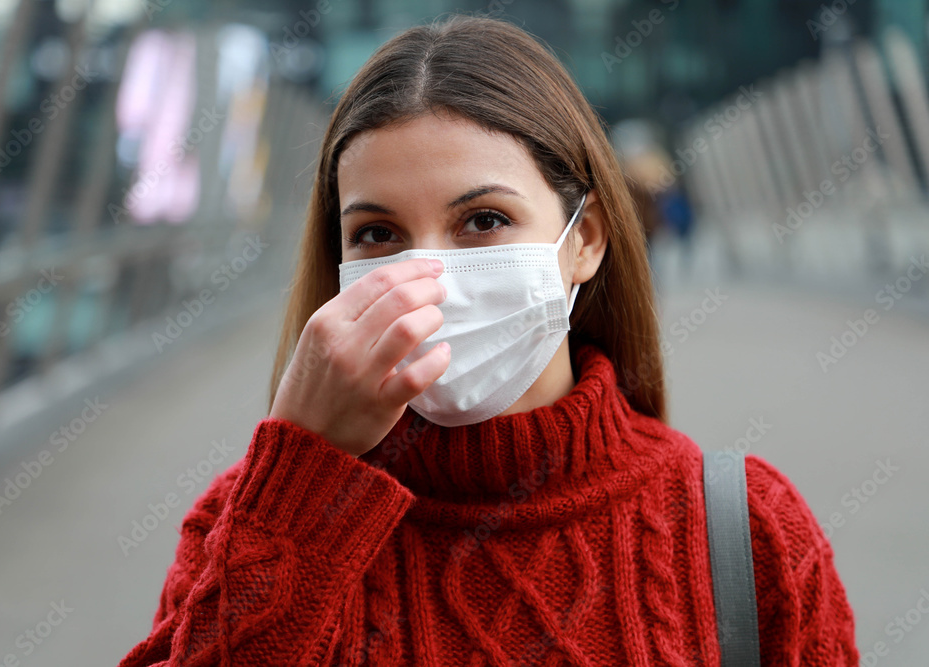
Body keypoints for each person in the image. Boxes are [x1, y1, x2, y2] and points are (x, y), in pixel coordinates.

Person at [118, 14, 858, 666]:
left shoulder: (745, 531)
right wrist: (302, 487)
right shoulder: (253, 521)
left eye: (483, 220)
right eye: (378, 233)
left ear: (585, 240)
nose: (431, 271)